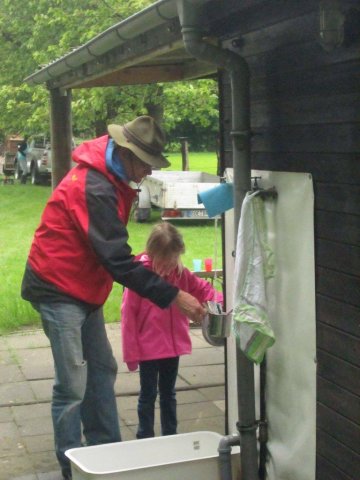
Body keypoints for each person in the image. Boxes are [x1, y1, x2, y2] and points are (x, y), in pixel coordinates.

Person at [21, 115, 206, 480]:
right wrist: (174, 296)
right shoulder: (94, 186)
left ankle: (106, 455)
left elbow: (112, 256)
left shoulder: (111, 178)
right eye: (145, 165)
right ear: (126, 152)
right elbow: (119, 262)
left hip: (83, 288)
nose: (146, 174)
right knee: (72, 382)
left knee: (102, 369)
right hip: (56, 288)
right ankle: (73, 466)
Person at [121, 222, 223, 439]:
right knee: (147, 395)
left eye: (173, 262)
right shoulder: (141, 280)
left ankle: (171, 436)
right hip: (148, 350)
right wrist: (131, 354)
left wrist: (221, 301)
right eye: (165, 264)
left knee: (169, 394)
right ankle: (144, 437)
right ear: (153, 254)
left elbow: (202, 288)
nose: (169, 269)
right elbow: (128, 318)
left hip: (172, 348)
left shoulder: (180, 273)